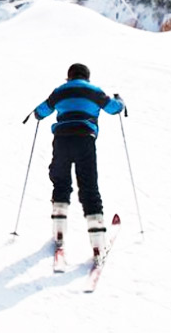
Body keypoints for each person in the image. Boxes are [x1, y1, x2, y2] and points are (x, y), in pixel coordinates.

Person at [32, 63, 124, 264]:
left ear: (69, 77)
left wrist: (39, 113)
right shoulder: (94, 91)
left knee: (61, 183)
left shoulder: (60, 91)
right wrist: (120, 101)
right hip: (85, 140)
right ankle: (98, 244)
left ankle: (59, 233)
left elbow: (41, 111)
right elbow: (114, 109)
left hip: (62, 140)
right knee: (89, 188)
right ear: (87, 77)